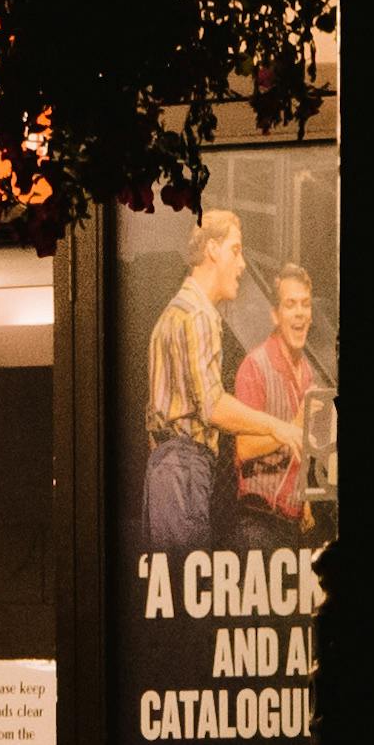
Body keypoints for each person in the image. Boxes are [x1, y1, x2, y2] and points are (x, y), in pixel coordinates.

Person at [142, 210, 247, 551]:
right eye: (236, 249)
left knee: (172, 587)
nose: (242, 264)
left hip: (168, 468)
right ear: (213, 250)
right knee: (187, 585)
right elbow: (213, 405)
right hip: (184, 466)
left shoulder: (174, 312)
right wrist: (280, 428)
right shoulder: (198, 315)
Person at [225, 262, 328, 529]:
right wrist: (294, 425)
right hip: (259, 520)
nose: (300, 313)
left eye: (305, 304)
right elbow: (244, 447)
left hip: (292, 521)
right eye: (290, 304)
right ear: (275, 315)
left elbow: (303, 451)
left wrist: (305, 502)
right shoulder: (255, 366)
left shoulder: (307, 373)